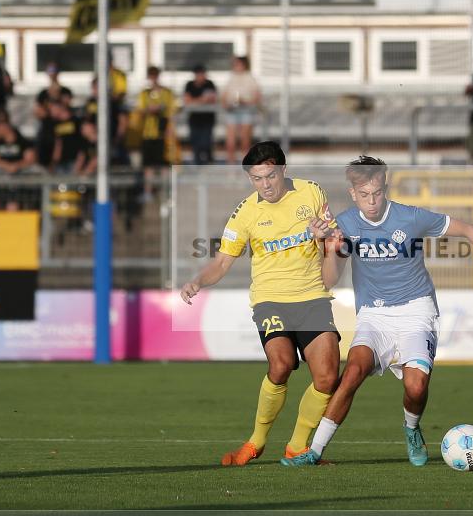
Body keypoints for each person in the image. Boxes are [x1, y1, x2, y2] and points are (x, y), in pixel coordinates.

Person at [281, 156, 473, 467]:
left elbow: (470, 230)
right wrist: (328, 249)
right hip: (373, 315)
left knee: (416, 387)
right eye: (364, 194)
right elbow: (328, 280)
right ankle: (314, 452)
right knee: (351, 373)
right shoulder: (344, 225)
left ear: (385, 187)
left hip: (416, 311)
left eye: (377, 193)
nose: (371, 201)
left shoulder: (410, 217)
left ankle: (411, 428)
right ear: (353, 193)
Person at [179, 141, 340, 466]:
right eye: (256, 179)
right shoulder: (245, 212)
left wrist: (324, 238)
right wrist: (198, 280)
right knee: (280, 365)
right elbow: (222, 262)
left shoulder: (311, 192)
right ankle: (256, 441)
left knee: (327, 378)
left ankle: (297, 446)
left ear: (282, 170)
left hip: (312, 297)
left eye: (270, 176)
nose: (264, 185)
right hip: (271, 301)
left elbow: (332, 239)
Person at [136, 65, 176, 201]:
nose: (153, 79)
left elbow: (171, 112)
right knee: (148, 165)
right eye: (151, 76)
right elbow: (140, 111)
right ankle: (148, 191)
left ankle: (165, 192)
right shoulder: (144, 93)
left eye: (155, 75)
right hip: (148, 133)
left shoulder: (167, 93)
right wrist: (149, 110)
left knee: (164, 164)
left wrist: (170, 130)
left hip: (162, 134)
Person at [221, 56, 261, 165]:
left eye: (238, 64)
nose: (236, 66)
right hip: (232, 111)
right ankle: (230, 165)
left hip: (246, 111)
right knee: (230, 142)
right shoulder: (231, 78)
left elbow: (257, 97)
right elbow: (224, 96)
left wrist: (246, 102)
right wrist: (226, 104)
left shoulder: (250, 78)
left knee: (245, 141)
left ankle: (246, 165)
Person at [33, 62, 71, 169]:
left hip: (62, 127)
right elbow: (39, 113)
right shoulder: (43, 93)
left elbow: (65, 112)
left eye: (54, 70)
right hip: (47, 128)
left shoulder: (65, 91)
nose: (52, 73)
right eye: (50, 70)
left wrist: (52, 103)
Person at [183, 64, 217, 165]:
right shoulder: (189, 85)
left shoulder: (210, 84)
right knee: (195, 143)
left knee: (206, 143)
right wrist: (202, 100)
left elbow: (212, 99)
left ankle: (209, 162)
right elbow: (187, 100)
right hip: (194, 119)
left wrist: (195, 101)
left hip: (207, 119)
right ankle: (198, 164)